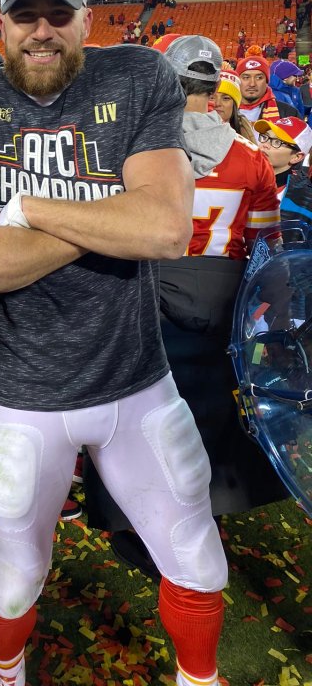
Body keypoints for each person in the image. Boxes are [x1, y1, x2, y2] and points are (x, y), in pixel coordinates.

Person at [0, 0, 228, 686]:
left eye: (60, 13)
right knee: (15, 577)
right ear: (1, 26)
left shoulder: (136, 76)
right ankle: (7, 671)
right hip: (23, 397)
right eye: (26, 15)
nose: (43, 30)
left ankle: (200, 680)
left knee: (199, 561)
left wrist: (21, 212)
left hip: (135, 381)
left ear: (88, 20)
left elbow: (164, 230)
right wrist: (106, 218)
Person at [86, 37, 284, 570]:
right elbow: (267, 247)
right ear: (216, 82)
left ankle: (137, 523)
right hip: (221, 300)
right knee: (207, 415)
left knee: (138, 414)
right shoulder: (251, 160)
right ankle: (203, 519)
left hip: (150, 291)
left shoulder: (139, 151)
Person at [254, 115, 312, 200]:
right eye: (265, 137)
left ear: (297, 157)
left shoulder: (304, 200)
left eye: (277, 142)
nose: (265, 144)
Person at [237, 56, 297, 124]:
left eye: (259, 78)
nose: (252, 84)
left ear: (266, 82)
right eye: (246, 77)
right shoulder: (224, 110)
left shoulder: (288, 113)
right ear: (238, 81)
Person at [211, 69, 256, 143]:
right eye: (212, 98)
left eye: (225, 98)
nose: (217, 103)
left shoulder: (245, 131)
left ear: (235, 105)